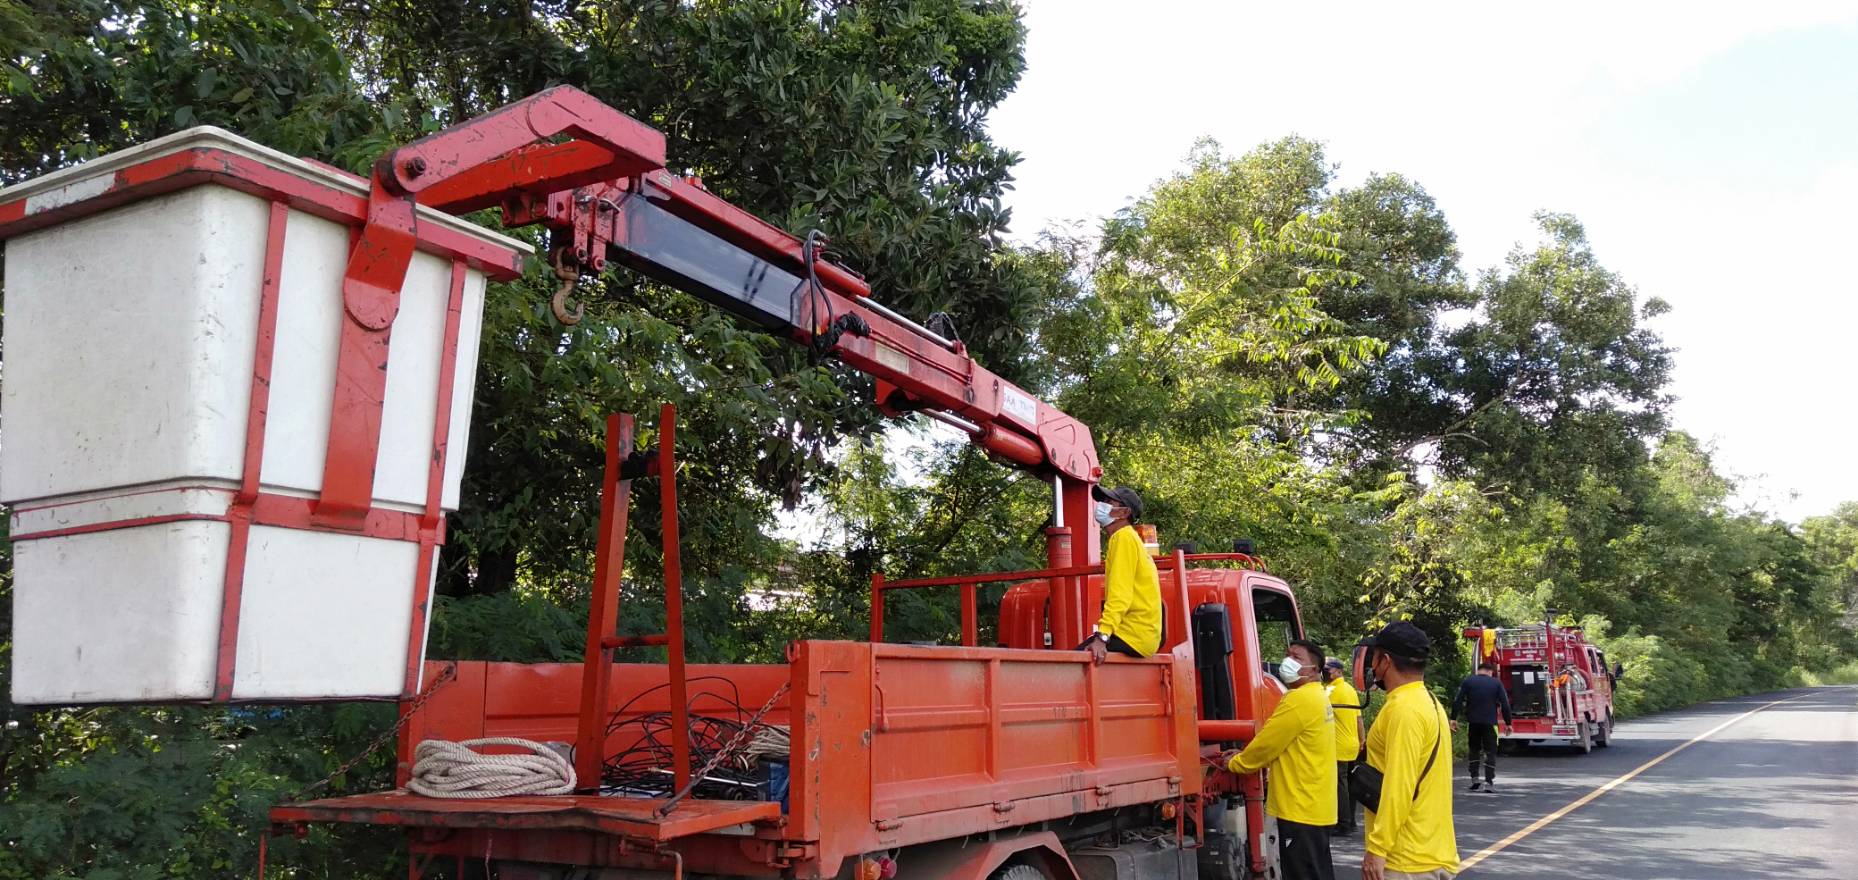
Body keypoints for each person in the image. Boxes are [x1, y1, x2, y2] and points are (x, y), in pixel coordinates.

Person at [1224, 638, 1337, 880]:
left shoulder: (1299, 699)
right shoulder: (1318, 697)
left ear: (1315, 669)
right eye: (1288, 655)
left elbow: (1267, 744)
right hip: (1317, 805)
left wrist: (1236, 763)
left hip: (1300, 808)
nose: (1288, 661)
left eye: (1297, 658)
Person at [1358, 622, 1459, 880]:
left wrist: (1378, 848)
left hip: (1406, 861)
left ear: (1385, 660)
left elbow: (1399, 785)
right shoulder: (1430, 703)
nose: (1372, 664)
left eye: (1375, 656)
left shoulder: (1404, 710)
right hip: (1430, 850)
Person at [1079, 485, 1160, 662]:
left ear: (1124, 512)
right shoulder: (1128, 538)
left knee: (1068, 664)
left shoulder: (1123, 538)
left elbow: (1120, 595)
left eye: (1109, 502)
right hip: (1139, 636)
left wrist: (1102, 637)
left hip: (1133, 635)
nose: (1102, 505)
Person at [1449, 660, 1514, 793]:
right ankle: (1488, 782)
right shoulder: (1496, 683)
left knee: (1474, 749)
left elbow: (1457, 700)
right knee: (1490, 751)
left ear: (1478, 670)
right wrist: (1508, 723)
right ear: (1490, 672)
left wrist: (1453, 718)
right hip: (1490, 723)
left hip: (1473, 722)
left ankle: (1474, 779)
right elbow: (1505, 704)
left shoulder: (1468, 681)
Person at [1324, 657, 1364, 834]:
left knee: (1339, 784)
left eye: (1328, 669)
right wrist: (1362, 739)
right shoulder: (1350, 690)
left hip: (1337, 745)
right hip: (1352, 743)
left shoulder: (1330, 690)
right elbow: (1359, 719)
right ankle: (1351, 821)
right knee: (1349, 782)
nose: (1325, 673)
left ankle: (1343, 823)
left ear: (1338, 671)